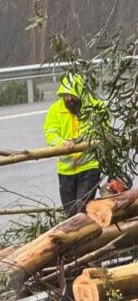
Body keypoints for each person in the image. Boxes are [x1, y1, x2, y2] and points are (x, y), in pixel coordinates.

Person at [44, 74, 102, 216]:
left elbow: (104, 131)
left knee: (81, 210)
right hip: (66, 170)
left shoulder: (94, 107)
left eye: (72, 96)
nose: (68, 100)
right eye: (65, 96)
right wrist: (60, 142)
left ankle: (86, 236)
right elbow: (50, 131)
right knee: (71, 215)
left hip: (89, 167)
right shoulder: (55, 110)